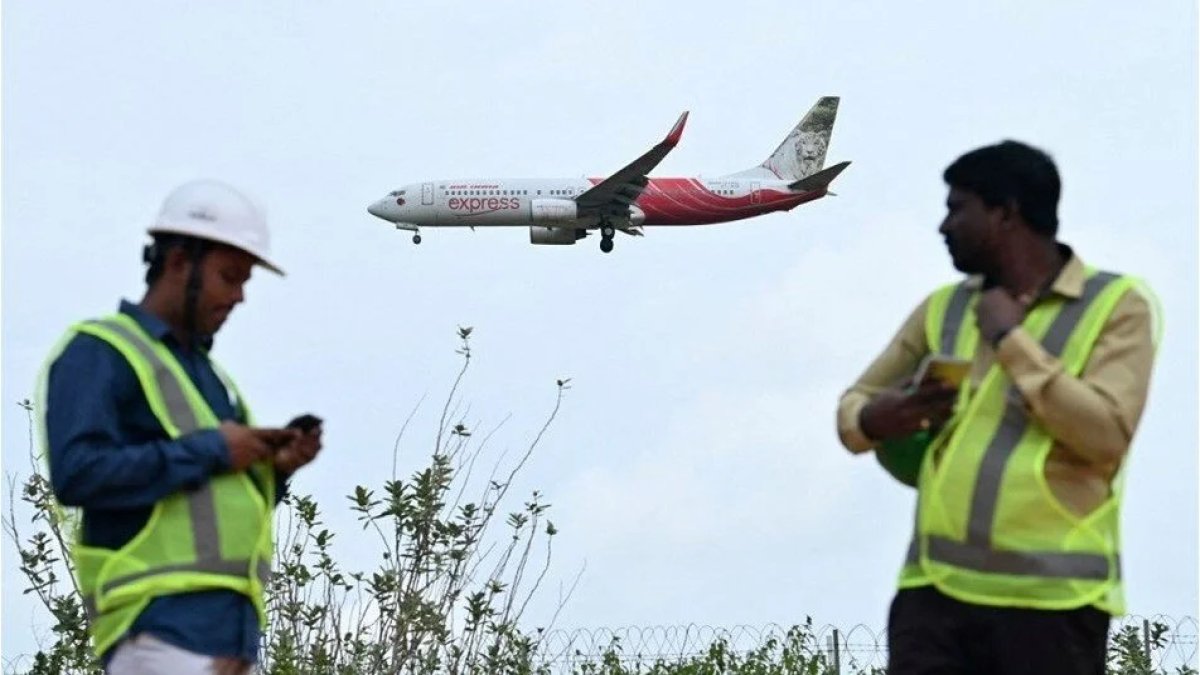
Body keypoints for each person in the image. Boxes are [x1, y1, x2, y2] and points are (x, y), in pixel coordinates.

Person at [835, 141, 1161, 674]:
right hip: (933, 595)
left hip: (1052, 605)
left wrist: (1009, 338)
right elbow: (854, 405)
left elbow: (1105, 435)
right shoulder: (942, 308)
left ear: (1005, 212)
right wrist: (874, 419)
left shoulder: (1116, 306)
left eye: (956, 208)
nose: (943, 226)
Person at [39, 179, 323, 674]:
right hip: (158, 634)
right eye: (229, 277)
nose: (239, 297)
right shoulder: (99, 351)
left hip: (230, 644)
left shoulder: (211, 378)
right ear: (177, 264)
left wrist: (273, 472)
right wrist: (212, 450)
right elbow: (78, 473)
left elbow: (209, 507)